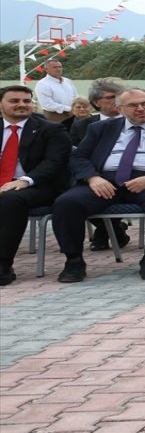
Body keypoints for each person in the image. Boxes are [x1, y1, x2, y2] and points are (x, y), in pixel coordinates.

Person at [53, 88, 145, 282]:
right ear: (119, 109)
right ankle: (73, 261)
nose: (141, 109)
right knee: (67, 202)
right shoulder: (101, 128)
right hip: (105, 180)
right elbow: (79, 157)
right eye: (133, 105)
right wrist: (92, 178)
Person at [0, 86, 71, 286]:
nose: (22, 105)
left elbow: (54, 162)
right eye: (14, 101)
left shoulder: (51, 129)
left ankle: (3, 264)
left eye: (27, 101)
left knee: (10, 199)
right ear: (1, 105)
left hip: (39, 186)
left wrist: (25, 181)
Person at [34, 59, 77, 124]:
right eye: (55, 67)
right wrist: (69, 109)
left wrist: (76, 108)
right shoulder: (42, 84)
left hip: (73, 116)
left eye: (60, 67)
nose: (58, 69)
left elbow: (76, 96)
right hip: (54, 118)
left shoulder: (67, 81)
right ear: (46, 69)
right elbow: (48, 105)